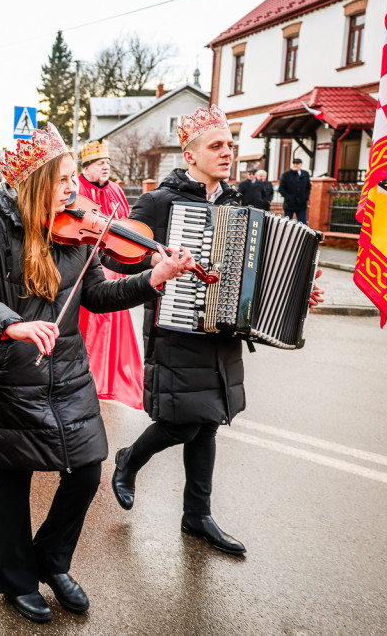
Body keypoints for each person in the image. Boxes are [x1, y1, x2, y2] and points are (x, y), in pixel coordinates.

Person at [0, 123, 191, 624]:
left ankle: (51, 561)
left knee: (85, 470)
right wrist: (12, 324)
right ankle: (17, 581)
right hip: (12, 373)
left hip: (66, 369)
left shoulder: (78, 227)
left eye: (72, 180)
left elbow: (100, 295)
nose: (73, 190)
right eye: (62, 181)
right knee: (15, 479)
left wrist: (155, 277)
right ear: (36, 183)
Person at [107, 106, 324, 556]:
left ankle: (197, 516)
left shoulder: (236, 204)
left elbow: (259, 272)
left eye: (230, 145)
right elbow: (112, 253)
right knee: (181, 424)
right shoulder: (160, 203)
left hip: (221, 333)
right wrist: (155, 264)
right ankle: (129, 459)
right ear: (189, 155)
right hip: (177, 329)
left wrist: (300, 293)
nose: (227, 153)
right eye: (217, 146)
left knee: (208, 425)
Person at [76, 139, 145, 411]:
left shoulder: (116, 189)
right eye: (100, 163)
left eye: (107, 163)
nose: (105, 168)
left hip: (112, 264)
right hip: (86, 265)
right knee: (89, 322)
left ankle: (107, 378)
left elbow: (126, 225)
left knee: (111, 320)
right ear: (88, 167)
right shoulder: (78, 189)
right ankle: (87, 374)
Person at [279, 158, 311, 223]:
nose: (295, 165)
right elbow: (281, 188)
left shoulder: (305, 174)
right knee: (287, 223)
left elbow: (308, 187)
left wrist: (306, 197)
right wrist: (288, 197)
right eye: (294, 163)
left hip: (301, 204)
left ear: (301, 165)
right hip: (289, 204)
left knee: (302, 223)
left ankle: (302, 233)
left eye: (297, 163)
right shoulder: (286, 175)